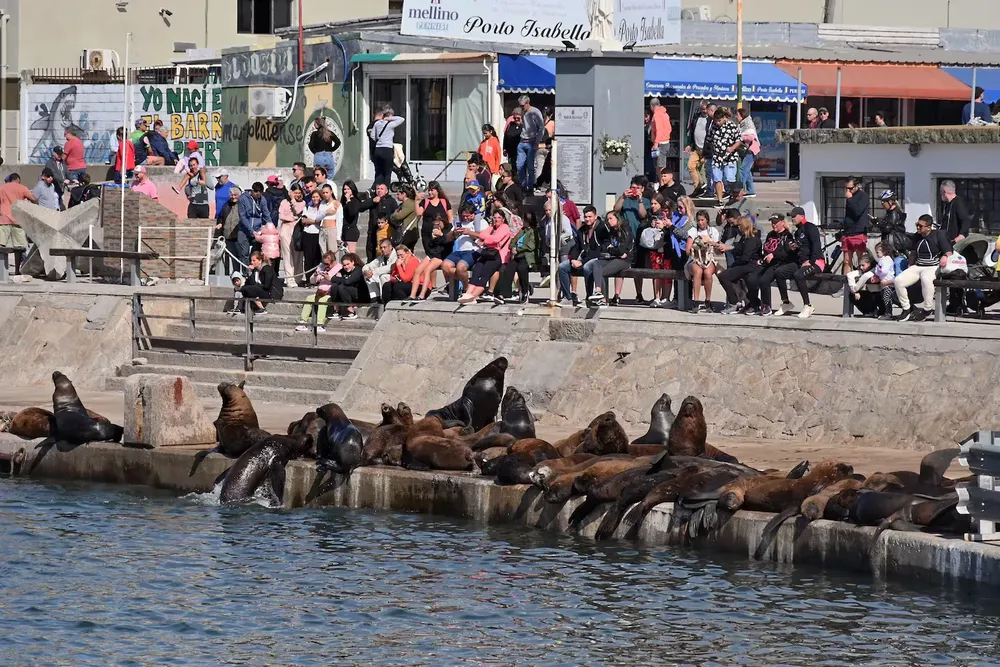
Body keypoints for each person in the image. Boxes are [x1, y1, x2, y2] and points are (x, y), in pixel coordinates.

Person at [895, 214, 952, 322]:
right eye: (917, 225)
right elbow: (913, 253)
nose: (918, 228)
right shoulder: (917, 236)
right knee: (898, 281)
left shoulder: (938, 235)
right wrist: (909, 266)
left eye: (920, 226)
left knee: (926, 279)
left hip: (933, 266)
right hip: (918, 266)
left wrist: (945, 257)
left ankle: (927, 309)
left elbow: (948, 251)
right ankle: (906, 308)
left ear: (929, 227)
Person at [458, 208, 513, 304]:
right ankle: (468, 293)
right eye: (494, 217)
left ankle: (473, 296)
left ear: (503, 219)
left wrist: (485, 242)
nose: (496, 220)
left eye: (499, 218)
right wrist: (488, 240)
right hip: (487, 253)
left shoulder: (505, 228)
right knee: (477, 269)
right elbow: (482, 234)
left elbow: (496, 239)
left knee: (485, 274)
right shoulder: (491, 227)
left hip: (498, 256)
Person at [746, 213, 796, 316]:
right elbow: (766, 248)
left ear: (782, 223)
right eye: (772, 223)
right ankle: (754, 303)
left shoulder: (788, 236)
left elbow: (787, 252)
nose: (774, 225)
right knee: (751, 278)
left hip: (779, 263)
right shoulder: (771, 234)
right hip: (766, 262)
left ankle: (766, 306)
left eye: (776, 223)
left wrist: (773, 255)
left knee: (764, 280)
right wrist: (762, 257)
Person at [584, 211, 633, 308]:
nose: (608, 221)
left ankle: (602, 300)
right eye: (607, 219)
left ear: (617, 219)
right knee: (596, 264)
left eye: (611, 218)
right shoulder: (611, 232)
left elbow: (621, 249)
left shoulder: (625, 230)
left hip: (625, 260)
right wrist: (613, 250)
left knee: (602, 271)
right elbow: (606, 247)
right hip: (614, 257)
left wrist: (613, 250)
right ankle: (598, 292)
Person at [783, 206, 825, 319]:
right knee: (779, 272)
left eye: (794, 216)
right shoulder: (798, 232)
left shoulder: (810, 227)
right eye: (791, 217)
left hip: (816, 262)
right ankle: (785, 302)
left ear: (801, 216)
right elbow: (799, 247)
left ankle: (808, 305)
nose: (792, 219)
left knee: (798, 275)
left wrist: (811, 262)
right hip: (802, 263)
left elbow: (816, 245)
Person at [614, 176, 650, 303]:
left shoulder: (645, 201)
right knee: (619, 266)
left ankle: (639, 294)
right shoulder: (625, 199)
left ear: (643, 189)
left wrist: (640, 200)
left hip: (638, 237)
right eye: (632, 187)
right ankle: (617, 294)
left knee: (638, 268)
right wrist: (623, 197)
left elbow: (643, 215)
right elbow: (616, 210)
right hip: (624, 238)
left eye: (637, 188)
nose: (634, 190)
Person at [940, 179, 973, 314]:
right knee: (948, 273)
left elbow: (965, 219)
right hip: (948, 243)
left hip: (956, 244)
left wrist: (962, 235)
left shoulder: (957, 203)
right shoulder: (948, 205)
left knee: (956, 274)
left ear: (944, 191)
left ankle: (958, 304)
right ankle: (953, 303)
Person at [719, 216, 763, 315]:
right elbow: (738, 248)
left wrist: (735, 263)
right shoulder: (745, 237)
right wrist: (728, 248)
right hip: (745, 264)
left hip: (750, 265)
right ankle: (749, 302)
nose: (738, 228)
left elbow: (745, 258)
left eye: (739, 226)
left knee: (723, 276)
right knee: (730, 277)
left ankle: (733, 302)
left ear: (744, 226)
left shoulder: (752, 239)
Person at [559, 206, 600, 306]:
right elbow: (576, 246)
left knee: (588, 267)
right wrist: (573, 259)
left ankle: (589, 297)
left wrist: (582, 262)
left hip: (596, 259)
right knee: (562, 267)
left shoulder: (601, 229)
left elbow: (599, 250)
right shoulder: (582, 230)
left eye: (590, 216)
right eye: (585, 217)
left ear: (595, 216)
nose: (587, 219)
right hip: (582, 259)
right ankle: (568, 298)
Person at [443, 203, 486, 296]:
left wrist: (469, 232)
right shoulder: (459, 222)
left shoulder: (481, 222)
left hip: (473, 250)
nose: (465, 218)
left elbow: (484, 237)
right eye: (464, 216)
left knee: (460, 267)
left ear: (473, 214)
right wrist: (453, 233)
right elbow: (448, 238)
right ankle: (466, 281)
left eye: (468, 216)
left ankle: (466, 289)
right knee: (445, 266)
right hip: (459, 251)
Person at [495, 208, 536, 303]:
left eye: (524, 220)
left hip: (527, 256)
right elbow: (513, 240)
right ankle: (503, 294)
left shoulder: (533, 231)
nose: (522, 221)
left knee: (522, 268)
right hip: (518, 255)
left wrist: (517, 249)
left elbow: (531, 246)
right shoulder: (522, 230)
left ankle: (525, 291)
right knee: (509, 268)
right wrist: (512, 247)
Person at [685, 209, 722, 312]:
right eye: (698, 220)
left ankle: (708, 300)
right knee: (698, 271)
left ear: (707, 220)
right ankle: (696, 302)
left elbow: (717, 251)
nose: (700, 222)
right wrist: (695, 246)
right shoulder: (693, 231)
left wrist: (710, 242)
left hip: (709, 259)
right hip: (695, 259)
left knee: (708, 272)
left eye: (702, 220)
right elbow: (687, 251)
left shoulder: (712, 231)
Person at [0, 174, 38, 271]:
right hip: (17, 220)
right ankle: (17, 270)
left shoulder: (2, 188)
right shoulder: (22, 188)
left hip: (3, 220)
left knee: (1, 245)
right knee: (19, 247)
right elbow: (34, 199)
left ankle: (1, 269)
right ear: (18, 179)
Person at [410, 215, 452, 300]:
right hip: (432, 253)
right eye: (435, 224)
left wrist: (441, 235)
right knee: (417, 270)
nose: (437, 226)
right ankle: (412, 294)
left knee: (427, 270)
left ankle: (422, 294)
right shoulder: (435, 230)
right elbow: (431, 245)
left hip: (441, 255)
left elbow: (448, 243)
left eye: (438, 224)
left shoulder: (449, 230)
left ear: (443, 222)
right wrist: (433, 238)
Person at [296, 251, 338, 332]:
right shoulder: (321, 267)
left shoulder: (339, 268)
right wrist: (316, 275)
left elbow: (338, 282)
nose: (326, 266)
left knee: (322, 301)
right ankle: (303, 322)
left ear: (333, 262)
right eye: (324, 263)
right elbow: (312, 281)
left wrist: (328, 277)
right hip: (319, 292)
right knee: (309, 298)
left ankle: (320, 324)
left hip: (330, 293)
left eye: (328, 264)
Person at [708, 107, 742, 204]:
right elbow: (709, 139)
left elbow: (739, 140)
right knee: (717, 179)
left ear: (724, 118)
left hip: (730, 157)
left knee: (729, 178)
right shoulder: (713, 126)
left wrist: (732, 148)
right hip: (717, 157)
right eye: (716, 121)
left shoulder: (732, 126)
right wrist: (712, 151)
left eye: (719, 120)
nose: (717, 123)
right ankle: (720, 200)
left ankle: (733, 197)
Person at [838, 176, 870, 275]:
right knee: (847, 260)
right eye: (846, 188)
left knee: (861, 260)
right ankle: (846, 284)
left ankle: (862, 282)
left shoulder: (863, 196)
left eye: (850, 188)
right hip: (848, 232)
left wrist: (850, 199)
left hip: (859, 232)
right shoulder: (849, 197)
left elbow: (857, 211)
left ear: (856, 186)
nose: (848, 191)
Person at [277, 184, 306, 286]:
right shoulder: (284, 202)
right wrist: (292, 218)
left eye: (299, 193)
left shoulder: (303, 203)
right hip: (286, 228)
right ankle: (289, 279)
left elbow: (298, 211)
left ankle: (298, 278)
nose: (297, 195)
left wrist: (293, 200)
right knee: (287, 255)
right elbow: (281, 215)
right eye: (295, 193)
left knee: (298, 254)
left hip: (297, 229)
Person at [515, 95, 545, 193]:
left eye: (522, 105)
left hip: (531, 142)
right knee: (519, 165)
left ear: (528, 103)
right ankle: (523, 185)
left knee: (530, 167)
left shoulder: (535, 112)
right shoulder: (523, 112)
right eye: (520, 105)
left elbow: (541, 128)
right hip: (522, 141)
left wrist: (537, 141)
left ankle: (530, 187)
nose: (521, 107)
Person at [237, 182, 271, 268]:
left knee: (256, 254)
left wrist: (270, 227)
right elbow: (243, 216)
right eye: (256, 192)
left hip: (257, 230)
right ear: (252, 191)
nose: (258, 195)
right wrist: (251, 230)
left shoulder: (262, 200)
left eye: (260, 193)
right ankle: (246, 273)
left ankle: (255, 272)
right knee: (244, 253)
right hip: (244, 229)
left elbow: (266, 214)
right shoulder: (243, 199)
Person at [370, 106, 405, 187]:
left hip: (378, 150)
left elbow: (372, 136)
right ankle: (385, 191)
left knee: (379, 172)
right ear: (390, 115)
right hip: (387, 150)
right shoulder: (390, 124)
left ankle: (377, 190)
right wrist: (390, 119)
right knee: (387, 172)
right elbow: (401, 119)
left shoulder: (377, 123)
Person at [415, 182, 452, 257]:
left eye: (432, 190)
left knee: (440, 254)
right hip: (427, 233)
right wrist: (416, 201)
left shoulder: (444, 202)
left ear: (437, 191)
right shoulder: (425, 202)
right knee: (429, 254)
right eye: (429, 190)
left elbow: (450, 217)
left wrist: (450, 229)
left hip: (441, 233)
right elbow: (419, 213)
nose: (429, 192)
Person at [364, 182, 398, 262]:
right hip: (372, 230)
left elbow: (396, 215)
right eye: (377, 189)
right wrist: (372, 201)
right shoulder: (373, 199)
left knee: (384, 252)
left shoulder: (391, 201)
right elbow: (362, 207)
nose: (379, 191)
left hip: (386, 232)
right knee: (370, 252)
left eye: (381, 189)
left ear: (386, 191)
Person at [876, 189, 910, 268]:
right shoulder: (890, 213)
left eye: (883, 202)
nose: (882, 204)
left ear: (890, 202)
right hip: (891, 242)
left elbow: (887, 228)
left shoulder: (894, 213)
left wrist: (878, 223)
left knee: (893, 264)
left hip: (894, 243)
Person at [328, 252, 366, 320]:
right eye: (344, 265)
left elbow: (348, 281)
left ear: (353, 262)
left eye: (348, 264)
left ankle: (351, 311)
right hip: (347, 294)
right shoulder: (343, 270)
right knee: (334, 286)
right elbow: (334, 278)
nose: (346, 267)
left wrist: (338, 278)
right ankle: (336, 311)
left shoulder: (358, 270)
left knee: (342, 287)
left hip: (360, 294)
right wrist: (338, 278)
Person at [685, 100, 709, 197]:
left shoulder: (710, 119)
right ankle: (698, 186)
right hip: (696, 147)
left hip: (706, 149)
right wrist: (689, 144)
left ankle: (704, 188)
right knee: (691, 166)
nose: (704, 111)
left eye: (705, 109)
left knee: (702, 169)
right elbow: (691, 131)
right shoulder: (696, 116)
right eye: (702, 109)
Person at [300, 189, 326, 282]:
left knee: (317, 258)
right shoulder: (307, 207)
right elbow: (303, 220)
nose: (315, 198)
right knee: (308, 258)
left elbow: (321, 221)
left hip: (318, 234)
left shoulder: (323, 208)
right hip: (307, 234)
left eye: (317, 196)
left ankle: (316, 279)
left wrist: (311, 221)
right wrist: (315, 221)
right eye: (313, 197)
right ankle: (308, 279)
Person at [218, 185, 243, 275]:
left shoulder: (242, 204)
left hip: (239, 236)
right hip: (228, 236)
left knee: (241, 256)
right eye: (231, 195)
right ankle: (234, 273)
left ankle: (243, 274)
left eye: (235, 195)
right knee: (232, 256)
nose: (233, 197)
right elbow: (221, 216)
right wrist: (220, 223)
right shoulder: (227, 204)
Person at [339, 180, 367, 255]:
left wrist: (348, 200)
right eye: (345, 189)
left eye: (348, 189)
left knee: (351, 255)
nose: (346, 191)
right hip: (344, 229)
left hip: (351, 230)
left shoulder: (355, 201)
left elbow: (352, 212)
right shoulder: (343, 201)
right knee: (346, 254)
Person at [736, 107, 759, 199]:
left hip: (750, 150)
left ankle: (739, 189)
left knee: (743, 169)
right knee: (747, 170)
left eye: (737, 115)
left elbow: (750, 137)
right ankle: (751, 191)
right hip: (747, 150)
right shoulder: (742, 124)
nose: (736, 117)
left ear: (742, 116)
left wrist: (741, 137)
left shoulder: (747, 124)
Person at [649, 98, 672, 174]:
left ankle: (663, 184)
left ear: (652, 106)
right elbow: (669, 128)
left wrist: (656, 143)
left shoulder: (657, 115)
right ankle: (661, 184)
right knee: (660, 166)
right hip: (665, 142)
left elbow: (659, 129)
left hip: (660, 144)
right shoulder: (665, 114)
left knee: (660, 166)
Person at [391, 186, 418, 250]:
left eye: (398, 194)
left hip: (408, 233)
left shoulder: (409, 204)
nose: (396, 196)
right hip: (405, 233)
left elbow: (398, 216)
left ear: (404, 194)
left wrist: (393, 215)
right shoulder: (403, 204)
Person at [319, 183, 343, 256]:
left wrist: (338, 236)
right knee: (324, 254)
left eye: (327, 192)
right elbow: (319, 217)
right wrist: (326, 212)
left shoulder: (336, 203)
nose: (325, 194)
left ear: (331, 192)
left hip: (332, 229)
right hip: (322, 229)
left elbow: (339, 221)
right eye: (323, 193)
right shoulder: (322, 203)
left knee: (332, 254)